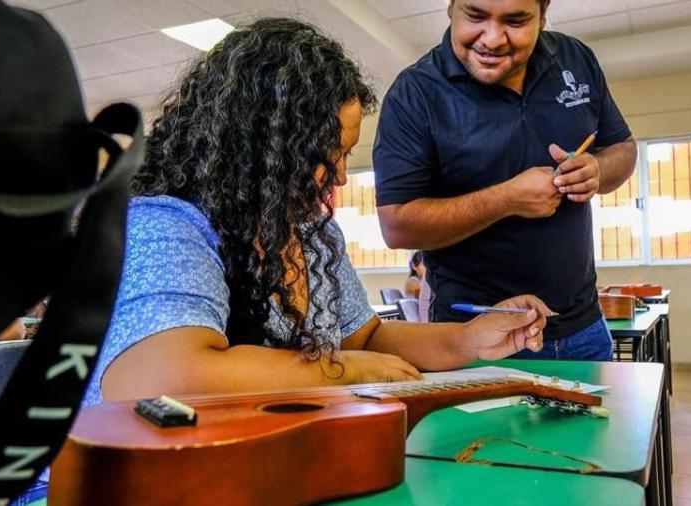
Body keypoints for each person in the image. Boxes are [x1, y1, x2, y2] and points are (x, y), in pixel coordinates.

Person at [86, 17, 552, 406]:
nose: (340, 177)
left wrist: (466, 340)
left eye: (346, 154)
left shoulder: (308, 230)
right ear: (258, 147)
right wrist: (339, 369)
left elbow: (366, 338)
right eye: (323, 153)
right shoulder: (165, 222)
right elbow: (155, 378)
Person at [372, 0, 637, 361]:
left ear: (543, 14)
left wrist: (598, 171)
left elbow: (622, 147)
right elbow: (397, 227)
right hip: (475, 336)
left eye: (515, 21)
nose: (493, 39)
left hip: (584, 327)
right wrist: (507, 199)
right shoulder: (414, 94)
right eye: (476, 16)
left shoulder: (575, 59)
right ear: (451, 7)